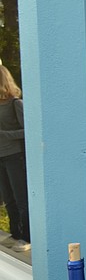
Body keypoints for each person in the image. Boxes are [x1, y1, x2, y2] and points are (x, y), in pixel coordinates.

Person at [0, 66, 30, 252]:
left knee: (21, 198)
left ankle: (26, 238)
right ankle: (15, 234)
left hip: (14, 156)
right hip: (1, 157)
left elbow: (29, 130)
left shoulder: (15, 103)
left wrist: (6, 135)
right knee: (8, 199)